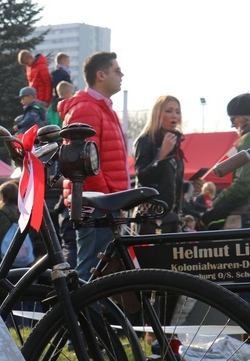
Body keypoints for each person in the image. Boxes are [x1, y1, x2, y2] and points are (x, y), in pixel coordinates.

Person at [203, 93, 250, 325]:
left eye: (233, 120)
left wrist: (217, 205)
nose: (233, 126)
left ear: (242, 119)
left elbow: (245, 183)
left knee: (247, 274)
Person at [57, 51, 128, 281]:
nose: (122, 75)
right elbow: (85, 164)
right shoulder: (87, 108)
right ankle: (81, 317)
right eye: (116, 71)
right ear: (100, 75)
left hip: (104, 202)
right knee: (91, 270)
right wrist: (107, 200)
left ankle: (88, 316)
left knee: (99, 271)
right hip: (97, 203)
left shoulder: (101, 108)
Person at [134, 95, 195, 234]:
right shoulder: (145, 140)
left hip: (173, 218)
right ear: (157, 114)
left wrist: (189, 185)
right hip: (151, 218)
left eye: (177, 111)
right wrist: (161, 154)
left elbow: (168, 183)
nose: (174, 115)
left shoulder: (175, 144)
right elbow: (143, 177)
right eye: (169, 111)